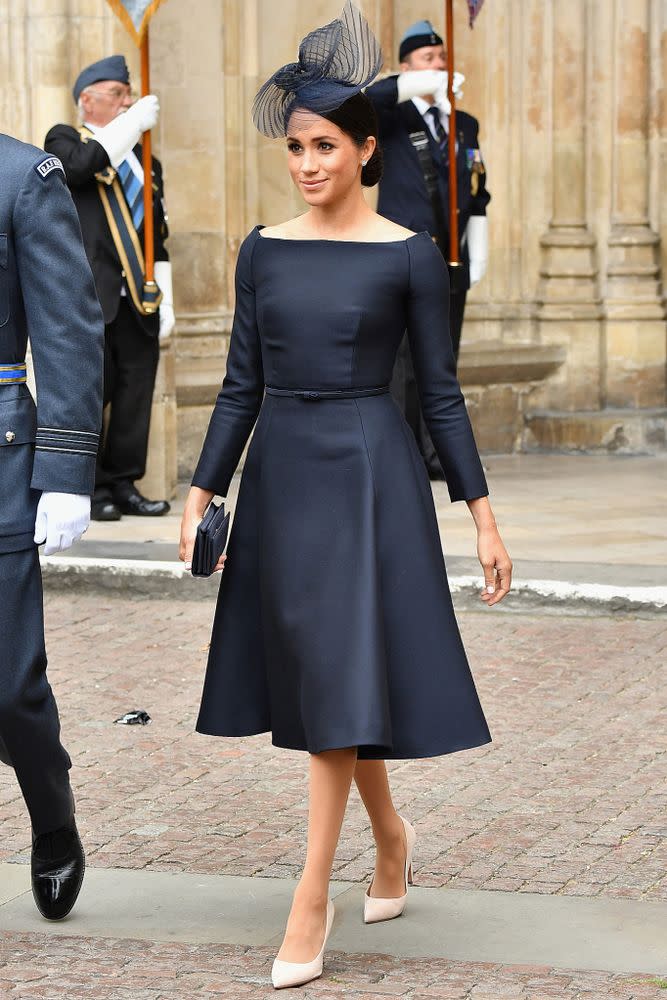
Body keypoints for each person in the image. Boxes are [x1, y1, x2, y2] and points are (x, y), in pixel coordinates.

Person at [179, 2, 511, 990]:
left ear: (367, 149)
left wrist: (482, 514)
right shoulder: (261, 249)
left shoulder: (410, 253)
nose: (308, 162)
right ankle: (393, 836)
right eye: (295, 147)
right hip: (283, 475)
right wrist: (199, 490)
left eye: (326, 145)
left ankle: (310, 893)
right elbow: (241, 382)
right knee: (331, 675)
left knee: (336, 675)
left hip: (371, 475)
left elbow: (441, 396)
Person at [0, 131, 104, 918]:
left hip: (0, 458)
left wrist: (65, 471)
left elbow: (67, 327)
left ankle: (53, 815)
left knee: (9, 690)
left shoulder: (22, 175)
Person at [44, 55, 173, 521]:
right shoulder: (65, 139)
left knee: (135, 394)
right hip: (90, 298)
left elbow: (157, 230)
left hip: (139, 297)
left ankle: (124, 483)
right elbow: (81, 168)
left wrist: (168, 294)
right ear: (87, 100)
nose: (127, 101)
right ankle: (91, 488)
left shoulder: (145, 161)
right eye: (118, 94)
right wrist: (134, 122)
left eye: (129, 94)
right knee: (90, 396)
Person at [366, 19, 490, 478]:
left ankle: (435, 454)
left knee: (440, 358)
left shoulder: (464, 124)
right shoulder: (392, 117)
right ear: (407, 67)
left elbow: (477, 188)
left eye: (442, 59)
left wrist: (478, 246)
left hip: (450, 258)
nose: (439, 65)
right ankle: (402, 454)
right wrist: (413, 85)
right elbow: (361, 101)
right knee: (399, 361)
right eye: (427, 59)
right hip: (401, 255)